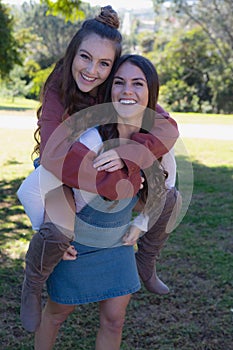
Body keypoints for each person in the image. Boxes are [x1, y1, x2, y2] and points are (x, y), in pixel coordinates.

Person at [17, 5, 179, 334]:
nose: (92, 71)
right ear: (72, 53)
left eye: (104, 63)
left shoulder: (114, 83)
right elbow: (54, 155)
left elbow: (167, 127)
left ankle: (146, 259)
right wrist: (110, 179)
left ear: (113, 65)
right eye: (85, 58)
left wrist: (130, 153)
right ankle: (32, 284)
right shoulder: (57, 90)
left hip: (107, 168)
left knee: (170, 198)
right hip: (59, 172)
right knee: (60, 231)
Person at [34, 53, 171, 350]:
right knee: (57, 314)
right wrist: (54, 230)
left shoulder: (155, 141)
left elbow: (167, 186)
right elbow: (48, 184)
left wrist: (142, 224)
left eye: (138, 83)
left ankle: (146, 263)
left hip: (118, 241)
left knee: (114, 319)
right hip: (78, 241)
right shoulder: (92, 140)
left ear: (151, 93)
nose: (127, 91)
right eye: (119, 82)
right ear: (109, 91)